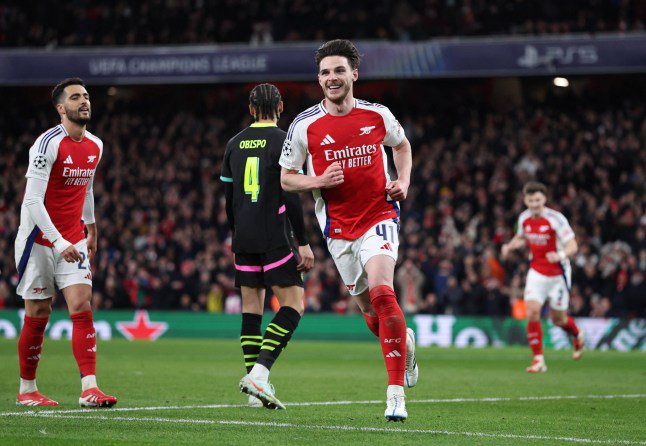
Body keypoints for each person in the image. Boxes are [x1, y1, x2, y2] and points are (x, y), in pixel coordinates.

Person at [279, 39, 418, 421]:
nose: (332, 78)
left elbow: (402, 146)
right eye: (325, 72)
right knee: (371, 315)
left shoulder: (378, 115)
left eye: (339, 70)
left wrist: (403, 180)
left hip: (379, 215)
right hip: (338, 229)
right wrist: (318, 179)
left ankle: (395, 395)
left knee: (383, 294)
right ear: (318, 78)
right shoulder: (305, 125)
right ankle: (402, 342)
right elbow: (287, 179)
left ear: (354, 74)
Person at [14, 78, 117, 407]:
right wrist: (58, 242)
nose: (84, 101)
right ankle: (27, 390)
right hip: (39, 240)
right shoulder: (47, 144)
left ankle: (89, 388)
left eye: (86, 96)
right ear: (61, 108)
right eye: (75, 97)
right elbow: (32, 201)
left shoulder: (96, 146)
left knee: (81, 305)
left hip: (73, 237)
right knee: (39, 311)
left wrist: (92, 227)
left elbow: (85, 187)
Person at [220, 83, 314, 410]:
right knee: (294, 304)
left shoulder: (233, 144)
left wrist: (237, 234)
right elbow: (290, 193)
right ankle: (259, 374)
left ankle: (253, 391)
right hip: (273, 234)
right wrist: (302, 242)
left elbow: (228, 200)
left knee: (252, 310)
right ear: (280, 106)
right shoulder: (284, 140)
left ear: (250, 109)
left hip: (243, 235)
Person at [501, 181, 584, 373]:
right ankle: (538, 360)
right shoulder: (524, 219)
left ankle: (578, 334)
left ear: (544, 199)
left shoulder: (556, 219)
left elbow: (573, 245)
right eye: (531, 200)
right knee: (532, 312)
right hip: (536, 272)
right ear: (525, 200)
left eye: (538, 200)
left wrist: (561, 255)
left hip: (558, 275)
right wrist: (510, 246)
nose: (534, 204)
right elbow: (522, 237)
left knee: (558, 319)